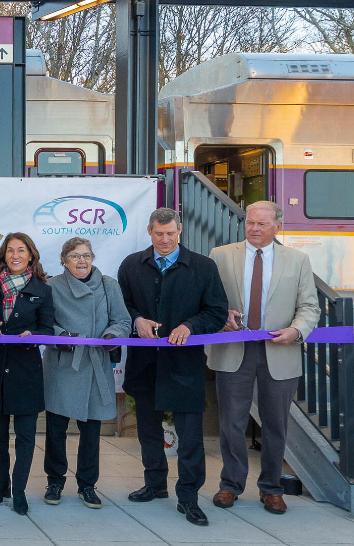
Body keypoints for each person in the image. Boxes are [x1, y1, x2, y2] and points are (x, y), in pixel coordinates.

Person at [118, 207, 229, 526]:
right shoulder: (131, 265)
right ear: (149, 231)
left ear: (180, 231)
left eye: (171, 233)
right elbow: (120, 305)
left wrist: (190, 326)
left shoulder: (203, 267)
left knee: (190, 437)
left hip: (184, 366)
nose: (165, 240)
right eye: (158, 233)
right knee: (148, 432)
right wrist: (136, 320)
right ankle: (154, 485)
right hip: (144, 365)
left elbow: (217, 312)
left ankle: (189, 497)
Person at [208, 200, 319, 515]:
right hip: (233, 349)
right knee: (231, 422)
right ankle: (230, 485)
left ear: (277, 227)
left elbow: (309, 306)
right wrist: (221, 315)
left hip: (279, 351)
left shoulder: (297, 260)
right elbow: (209, 299)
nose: (254, 229)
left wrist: (296, 331)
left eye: (262, 224)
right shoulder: (221, 255)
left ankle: (271, 489)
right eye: (250, 223)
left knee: (275, 425)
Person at [42, 237, 130, 509]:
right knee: (55, 429)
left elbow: (122, 320)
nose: (82, 261)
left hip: (94, 364)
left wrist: (112, 335)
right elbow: (44, 323)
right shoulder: (52, 286)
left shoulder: (109, 285)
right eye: (75, 256)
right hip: (62, 363)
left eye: (87, 256)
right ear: (64, 260)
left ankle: (87, 485)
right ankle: (55, 481)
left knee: (91, 431)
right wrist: (63, 336)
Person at [0, 232, 54, 515]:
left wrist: (33, 334)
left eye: (21, 250)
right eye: (10, 251)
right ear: (4, 255)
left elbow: (49, 328)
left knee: (25, 437)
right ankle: (2, 484)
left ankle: (19, 489)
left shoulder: (43, 289)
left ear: (31, 255)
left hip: (26, 371)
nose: (15, 255)